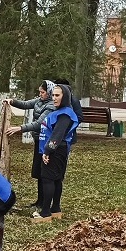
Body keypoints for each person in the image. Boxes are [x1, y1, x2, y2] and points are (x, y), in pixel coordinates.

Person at [3, 80, 56, 208]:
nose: (40, 94)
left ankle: (45, 203)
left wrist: (20, 128)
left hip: (46, 141)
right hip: (39, 139)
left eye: (43, 92)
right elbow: (26, 104)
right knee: (38, 172)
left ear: (49, 92)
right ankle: (39, 201)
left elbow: (39, 123)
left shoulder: (51, 106)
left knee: (44, 172)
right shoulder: (39, 101)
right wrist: (12, 101)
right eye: (40, 92)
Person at [33, 84, 79, 223]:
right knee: (56, 179)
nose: (54, 98)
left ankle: (45, 212)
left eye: (57, 95)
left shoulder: (65, 114)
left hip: (56, 151)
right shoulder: (59, 112)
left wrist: (48, 151)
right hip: (56, 150)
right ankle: (55, 209)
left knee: (48, 179)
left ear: (65, 97)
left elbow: (57, 135)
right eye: (53, 95)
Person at [52, 78, 83, 144]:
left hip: (67, 136)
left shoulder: (73, 101)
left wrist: (65, 124)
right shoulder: (54, 100)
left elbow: (79, 117)